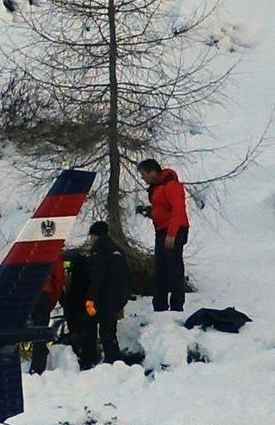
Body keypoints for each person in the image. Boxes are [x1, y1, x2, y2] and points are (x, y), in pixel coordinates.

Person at [63, 222, 131, 368]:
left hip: (103, 297)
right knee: (109, 329)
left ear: (95, 235)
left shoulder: (98, 250)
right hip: (118, 297)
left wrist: (90, 298)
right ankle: (113, 359)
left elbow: (98, 276)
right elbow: (127, 274)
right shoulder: (118, 250)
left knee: (90, 323)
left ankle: (93, 359)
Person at [137, 158, 192, 311]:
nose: (143, 178)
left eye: (143, 175)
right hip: (162, 230)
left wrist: (172, 234)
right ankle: (160, 306)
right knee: (160, 269)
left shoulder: (170, 185)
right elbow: (163, 209)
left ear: (152, 172)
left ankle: (176, 307)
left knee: (174, 269)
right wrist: (150, 212)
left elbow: (178, 209)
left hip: (173, 231)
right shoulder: (157, 187)